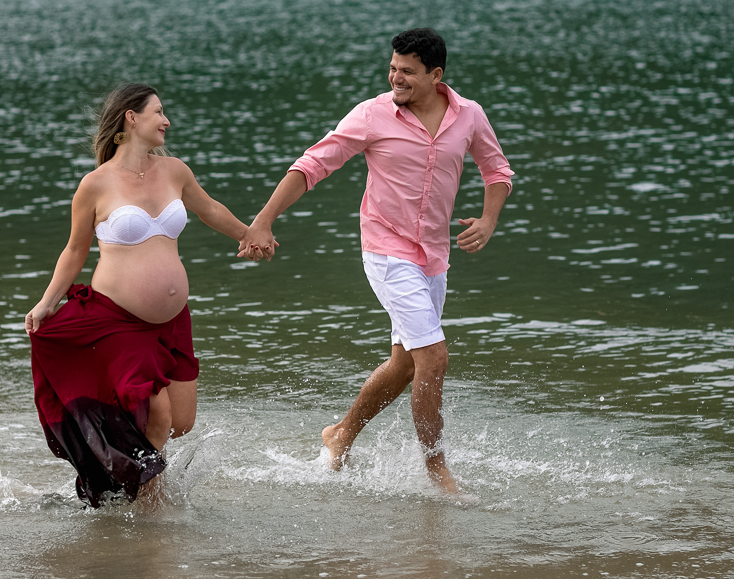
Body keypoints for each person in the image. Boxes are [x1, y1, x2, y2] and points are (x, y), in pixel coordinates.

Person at [239, 29, 513, 494]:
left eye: (407, 71)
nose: (395, 77)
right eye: (392, 68)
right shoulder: (372, 114)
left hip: (433, 257)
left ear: (436, 74)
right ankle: (437, 472)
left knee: (406, 364)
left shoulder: (469, 115)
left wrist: (488, 220)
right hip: (386, 252)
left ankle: (341, 433)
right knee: (434, 356)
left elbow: (497, 169)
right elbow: (313, 164)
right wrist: (263, 220)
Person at [25, 83, 268, 507]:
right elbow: (75, 250)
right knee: (158, 413)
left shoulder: (175, 170)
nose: (167, 120)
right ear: (131, 118)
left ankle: (126, 477)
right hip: (117, 319)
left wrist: (251, 234)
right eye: (159, 112)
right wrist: (47, 302)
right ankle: (150, 506)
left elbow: (209, 209)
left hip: (173, 321)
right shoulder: (95, 185)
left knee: (181, 421)